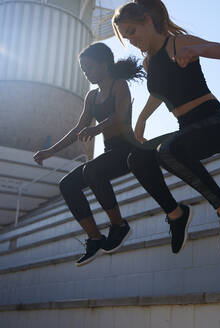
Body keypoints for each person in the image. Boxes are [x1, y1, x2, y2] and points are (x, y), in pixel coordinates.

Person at [112, 0, 220, 254]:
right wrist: (142, 119)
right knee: (138, 159)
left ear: (148, 21)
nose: (131, 40)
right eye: (125, 37)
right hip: (187, 129)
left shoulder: (178, 42)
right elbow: (159, 92)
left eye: (132, 31)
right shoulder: (149, 63)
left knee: (167, 150)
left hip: (215, 123)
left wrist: (197, 48)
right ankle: (176, 215)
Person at [33, 43, 145, 266]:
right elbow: (78, 130)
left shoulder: (119, 85)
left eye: (89, 68)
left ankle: (119, 225)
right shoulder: (91, 96)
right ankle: (94, 238)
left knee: (92, 170)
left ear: (104, 65)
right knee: (67, 184)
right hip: (110, 152)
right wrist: (49, 152)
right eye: (83, 70)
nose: (87, 73)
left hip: (128, 149)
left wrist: (97, 128)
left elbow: (121, 115)